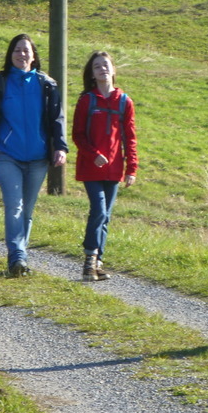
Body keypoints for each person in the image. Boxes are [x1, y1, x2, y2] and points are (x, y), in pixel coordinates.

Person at [0, 33, 68, 277]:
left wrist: (60, 147)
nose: (21, 54)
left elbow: (57, 118)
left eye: (26, 50)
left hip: (38, 157)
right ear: (10, 55)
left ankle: (19, 257)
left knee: (27, 209)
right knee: (14, 205)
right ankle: (17, 257)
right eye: (17, 50)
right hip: (7, 155)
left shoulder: (46, 84)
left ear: (34, 56)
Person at [72, 51, 138, 281]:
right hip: (90, 168)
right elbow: (78, 135)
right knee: (99, 211)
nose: (102, 69)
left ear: (113, 69)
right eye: (97, 66)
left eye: (105, 65)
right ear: (92, 73)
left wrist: (131, 168)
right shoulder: (86, 101)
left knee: (106, 216)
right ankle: (89, 260)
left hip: (114, 169)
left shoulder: (125, 102)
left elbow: (130, 138)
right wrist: (94, 154)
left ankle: (97, 263)